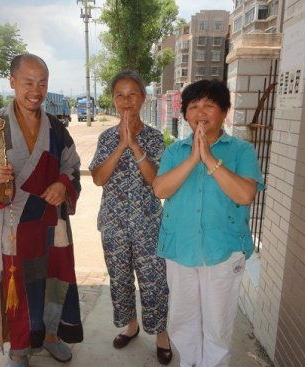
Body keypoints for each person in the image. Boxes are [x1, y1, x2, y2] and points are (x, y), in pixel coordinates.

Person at [0, 54, 83, 367]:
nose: (36, 89)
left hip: (51, 224)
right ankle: (19, 348)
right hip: (15, 226)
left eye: (42, 83)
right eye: (28, 82)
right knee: (18, 286)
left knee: (54, 279)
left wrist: (62, 184)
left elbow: (72, 164)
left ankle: (51, 336)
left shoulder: (56, 127)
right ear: (13, 82)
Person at [152, 79, 264, 367]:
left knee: (218, 325)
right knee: (182, 320)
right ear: (185, 115)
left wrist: (210, 159)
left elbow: (246, 194)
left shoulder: (241, 151)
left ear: (224, 112)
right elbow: (160, 189)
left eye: (209, 105)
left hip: (223, 251)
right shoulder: (175, 152)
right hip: (181, 250)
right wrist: (193, 159)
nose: (201, 112)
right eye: (193, 106)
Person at [89, 70, 172, 365]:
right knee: (120, 279)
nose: (126, 101)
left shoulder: (154, 138)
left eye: (132, 94)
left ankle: (161, 333)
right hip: (113, 224)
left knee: (154, 282)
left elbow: (157, 182)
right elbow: (98, 178)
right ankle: (131, 325)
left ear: (143, 98)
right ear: (113, 100)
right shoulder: (106, 137)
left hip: (149, 224)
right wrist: (120, 145)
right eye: (119, 95)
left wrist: (134, 145)